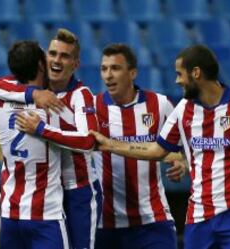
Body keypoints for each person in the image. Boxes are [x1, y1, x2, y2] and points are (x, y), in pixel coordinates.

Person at [89, 44, 230, 249]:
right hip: (197, 217)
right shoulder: (183, 110)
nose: (177, 81)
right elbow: (156, 150)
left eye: (179, 74)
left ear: (196, 74)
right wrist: (109, 145)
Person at [0, 29, 102, 249]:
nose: (57, 60)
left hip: (77, 189)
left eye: (64, 56)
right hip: (45, 193)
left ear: (75, 64)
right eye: (53, 53)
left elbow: (89, 141)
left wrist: (41, 129)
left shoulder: (81, 94)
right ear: (43, 60)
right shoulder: (29, 91)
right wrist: (33, 94)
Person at [92, 44, 183, 249]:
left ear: (132, 73)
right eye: (103, 69)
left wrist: (180, 163)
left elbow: (181, 147)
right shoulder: (92, 107)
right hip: (105, 225)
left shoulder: (160, 104)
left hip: (152, 220)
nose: (108, 75)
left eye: (115, 68)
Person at [0, 40, 69, 249]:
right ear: (40, 65)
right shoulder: (52, 107)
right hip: (44, 214)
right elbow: (84, 141)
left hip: (10, 213)